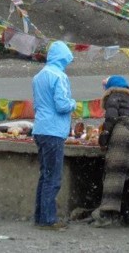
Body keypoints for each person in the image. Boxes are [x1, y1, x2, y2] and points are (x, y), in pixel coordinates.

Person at [32, 41, 77, 230]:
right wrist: (73, 103)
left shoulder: (39, 76)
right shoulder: (59, 76)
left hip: (40, 128)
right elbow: (62, 105)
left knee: (45, 176)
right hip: (54, 130)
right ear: (63, 58)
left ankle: (40, 216)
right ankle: (49, 220)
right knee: (53, 178)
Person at [92, 75, 129, 228]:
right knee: (127, 177)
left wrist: (105, 136)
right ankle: (128, 216)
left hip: (123, 134)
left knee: (114, 174)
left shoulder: (113, 96)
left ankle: (106, 215)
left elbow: (111, 118)